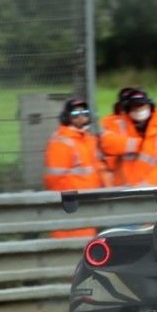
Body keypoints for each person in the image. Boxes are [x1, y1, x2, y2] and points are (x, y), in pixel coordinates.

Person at [43, 97, 105, 238]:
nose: (81, 116)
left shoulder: (89, 139)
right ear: (67, 117)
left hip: (88, 204)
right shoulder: (61, 142)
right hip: (71, 207)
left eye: (84, 112)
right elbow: (54, 180)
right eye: (75, 114)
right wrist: (78, 196)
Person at [99, 89, 157, 186]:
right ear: (128, 110)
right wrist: (137, 144)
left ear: (150, 107)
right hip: (125, 191)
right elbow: (106, 143)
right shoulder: (121, 125)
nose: (139, 110)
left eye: (142, 106)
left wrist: (145, 185)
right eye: (134, 107)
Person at [98, 86, 138, 187]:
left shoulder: (142, 122)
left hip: (138, 176)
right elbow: (107, 143)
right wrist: (140, 144)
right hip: (113, 177)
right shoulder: (108, 121)